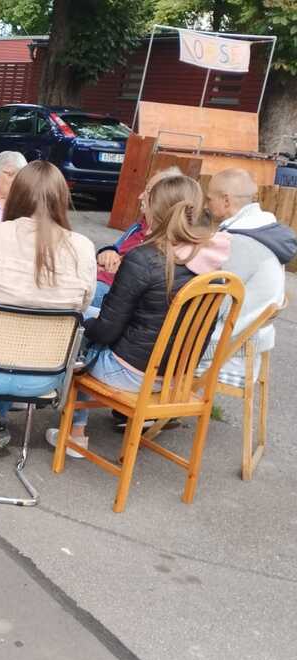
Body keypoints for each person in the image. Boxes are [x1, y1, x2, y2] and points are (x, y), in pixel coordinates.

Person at [46, 173, 231, 456]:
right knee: (89, 316)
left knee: (77, 330)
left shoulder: (143, 259)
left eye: (147, 203)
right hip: (176, 378)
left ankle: (75, 434)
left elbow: (107, 332)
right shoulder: (214, 265)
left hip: (130, 374)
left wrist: (81, 324)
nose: (142, 205)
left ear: (155, 212)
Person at [0, 160, 97, 463]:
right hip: (43, 377)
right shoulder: (83, 248)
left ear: (17, 195)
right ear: (62, 199)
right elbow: (82, 306)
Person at [198, 168, 288, 386]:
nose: (206, 205)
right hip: (254, 337)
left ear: (226, 201)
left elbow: (215, 306)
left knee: (152, 333)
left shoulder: (240, 243)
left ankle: (152, 407)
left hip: (231, 348)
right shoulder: (265, 230)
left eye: (210, 199)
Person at [94, 166, 183, 308]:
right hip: (98, 279)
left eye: (147, 191)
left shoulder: (170, 238)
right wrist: (108, 252)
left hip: (112, 293)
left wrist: (123, 267)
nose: (140, 196)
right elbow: (115, 249)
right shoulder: (139, 226)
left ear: (163, 199)